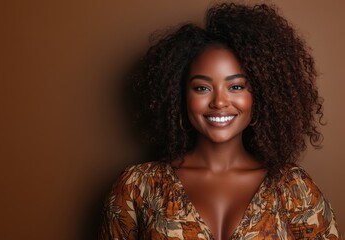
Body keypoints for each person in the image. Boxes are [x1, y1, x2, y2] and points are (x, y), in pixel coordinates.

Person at [99, 3, 340, 240]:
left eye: (235, 86)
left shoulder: (294, 190)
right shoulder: (137, 187)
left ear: (260, 95)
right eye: (202, 88)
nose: (219, 102)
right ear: (180, 96)